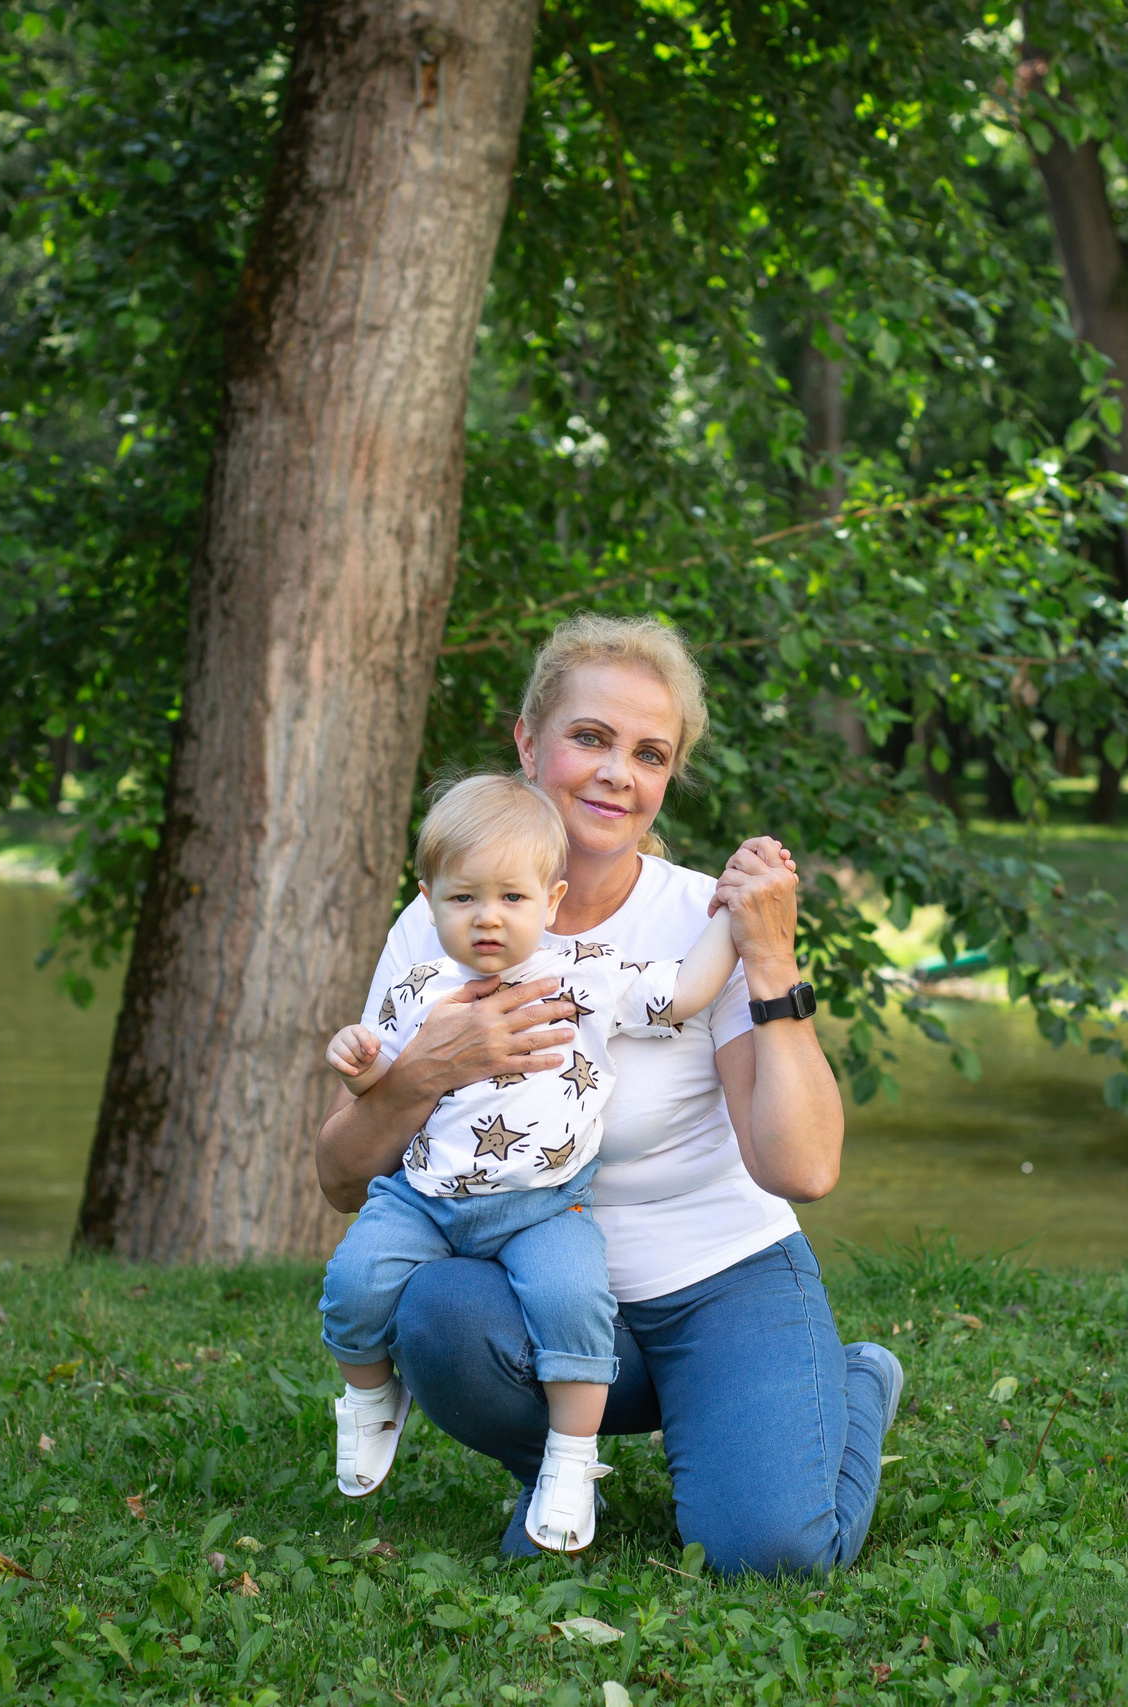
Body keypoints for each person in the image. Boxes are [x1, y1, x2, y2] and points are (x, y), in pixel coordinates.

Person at [316, 613, 904, 1575]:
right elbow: (342, 1177)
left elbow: (802, 1167)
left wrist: (770, 957)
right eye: (589, 737)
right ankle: (559, 1469)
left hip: (720, 1279)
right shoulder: (439, 921)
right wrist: (429, 1069)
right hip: (540, 1287)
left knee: (768, 1552)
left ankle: (844, 1383)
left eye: (649, 752)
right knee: (432, 1311)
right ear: (527, 740)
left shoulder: (697, 919)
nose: (616, 773)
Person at [317, 772, 744, 1552]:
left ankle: (571, 1462)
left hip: (545, 1203)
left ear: (549, 901)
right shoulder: (419, 983)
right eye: (463, 899)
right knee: (351, 1286)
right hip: (422, 1199)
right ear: (428, 898)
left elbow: (683, 992)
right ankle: (372, 1399)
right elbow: (379, 1081)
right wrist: (358, 1063)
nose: (487, 918)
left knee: (572, 1305)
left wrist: (734, 918)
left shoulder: (579, 973)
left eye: (512, 899)